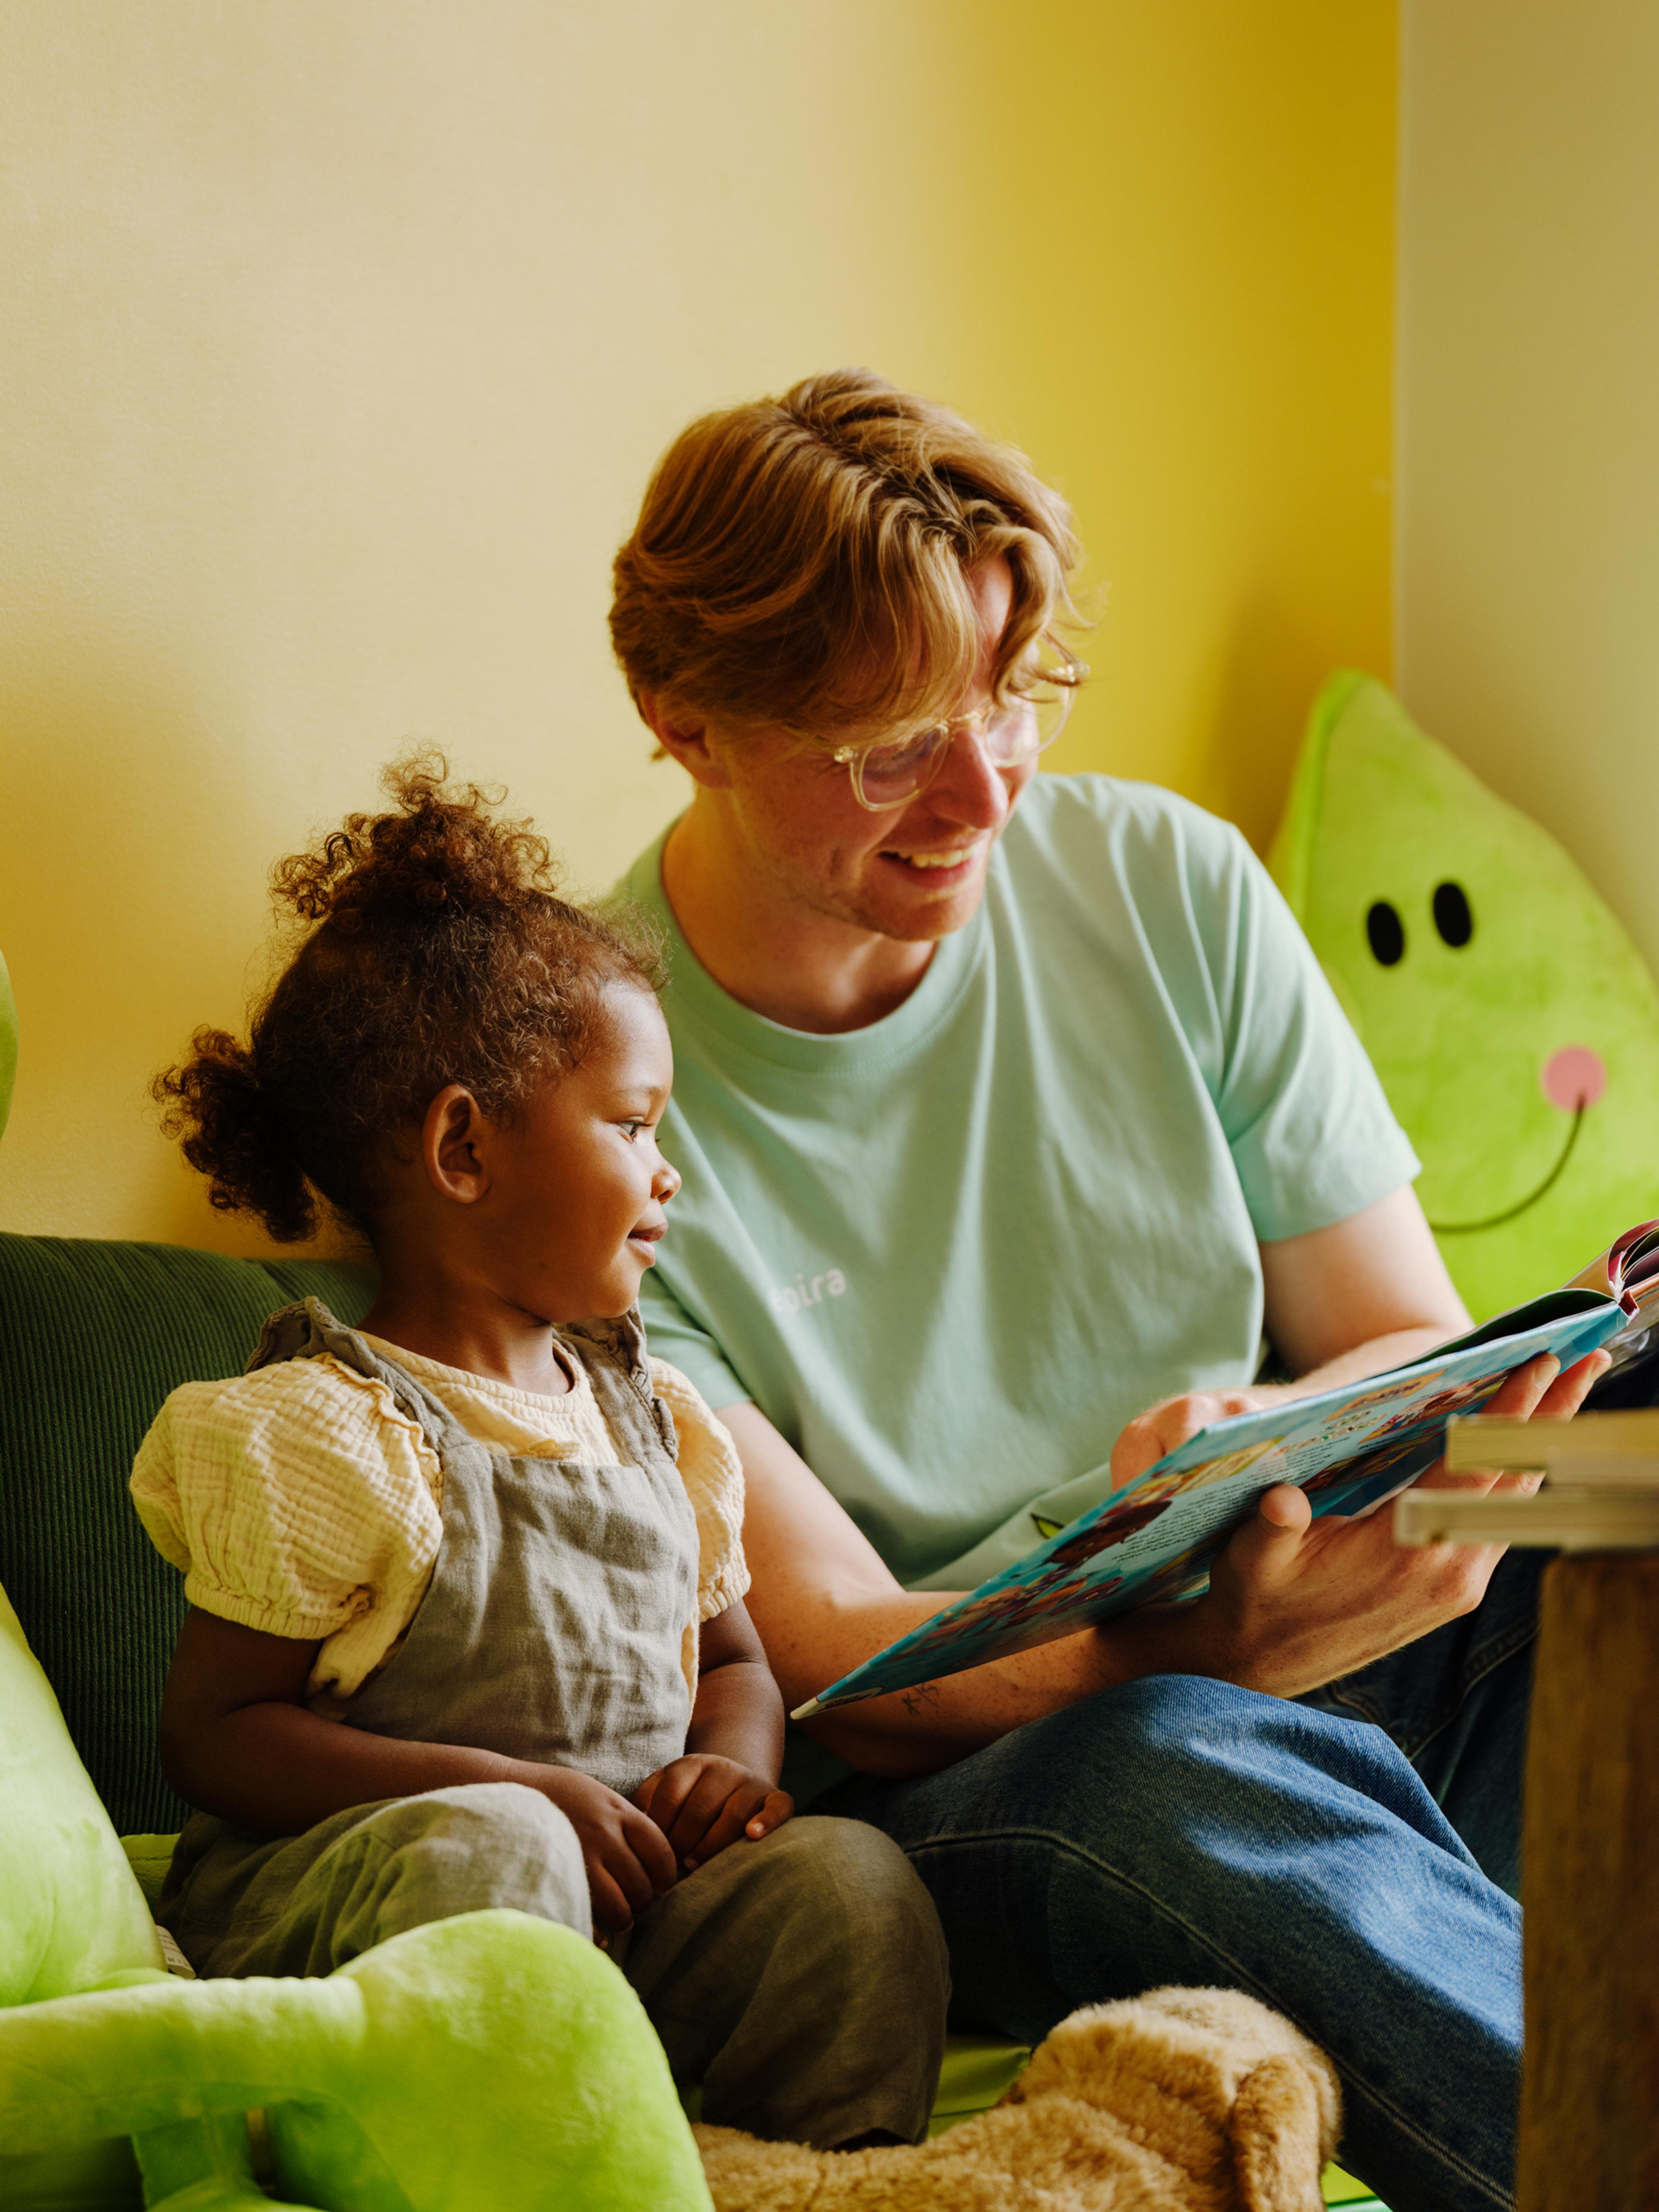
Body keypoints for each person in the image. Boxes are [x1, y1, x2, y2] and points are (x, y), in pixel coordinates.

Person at [607, 369, 1608, 2212]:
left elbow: (1396, 1321)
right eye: (891, 736)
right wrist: (1203, 1647)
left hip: (1335, 1586)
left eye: (1011, 695)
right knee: (1172, 1757)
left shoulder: (1168, 880)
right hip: (1026, 1765)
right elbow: (849, 1661)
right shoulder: (594, 1098)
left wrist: (1271, 1436)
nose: (981, 788)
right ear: (688, 722)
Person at [129, 760, 949, 2151]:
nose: (667, 1168)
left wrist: (735, 1770)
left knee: (848, 1880)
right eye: (634, 1126)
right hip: (396, 1911)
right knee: (498, 1854)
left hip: (630, 1915)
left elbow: (740, 1662)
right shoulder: (335, 1430)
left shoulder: (660, 1421)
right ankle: (496, 2162)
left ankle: (804, 2176)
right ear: (464, 1147)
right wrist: (508, 1792)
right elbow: (214, 1739)